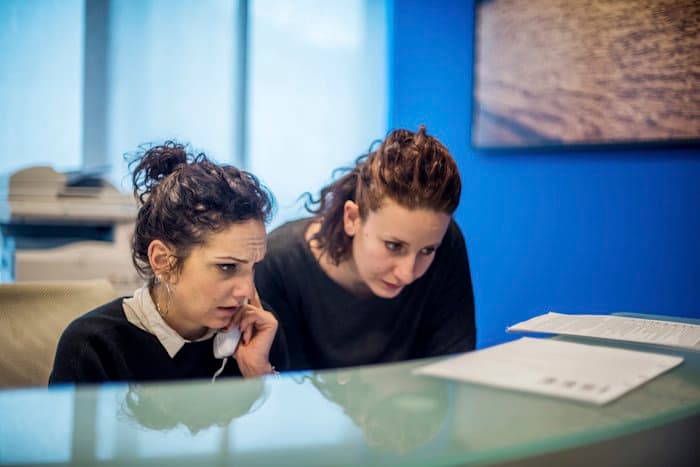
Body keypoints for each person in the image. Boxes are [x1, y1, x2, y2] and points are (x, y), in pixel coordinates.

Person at [49, 142, 287, 384]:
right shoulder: (93, 346)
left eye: (253, 267)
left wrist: (258, 372)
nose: (247, 290)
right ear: (163, 261)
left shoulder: (258, 332)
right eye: (227, 267)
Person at [255, 125, 475, 371]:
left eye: (427, 251)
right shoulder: (277, 265)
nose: (407, 274)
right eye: (393, 246)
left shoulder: (447, 242)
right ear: (352, 218)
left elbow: (453, 369)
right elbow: (287, 387)